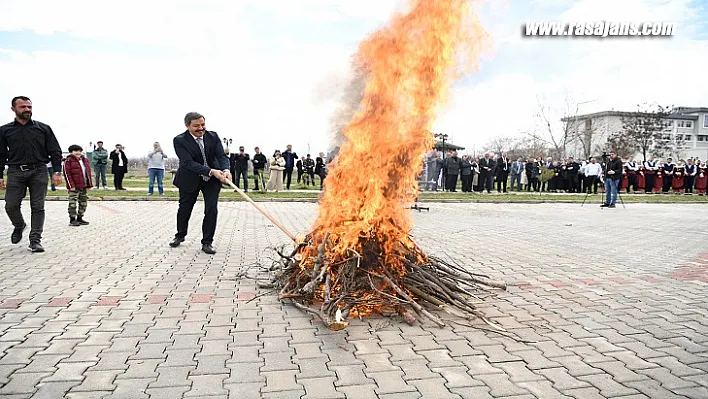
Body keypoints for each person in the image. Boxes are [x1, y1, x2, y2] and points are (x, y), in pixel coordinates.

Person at [0, 96, 63, 252]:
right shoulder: (5, 130)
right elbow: (0, 155)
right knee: (11, 205)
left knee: (38, 206)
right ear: (13, 109)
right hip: (15, 171)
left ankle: (35, 240)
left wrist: (57, 171)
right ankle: (19, 225)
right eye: (23, 107)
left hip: (39, 171)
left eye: (29, 106)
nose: (27, 109)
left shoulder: (43, 128)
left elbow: (55, 151)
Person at [170, 112, 231, 255]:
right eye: (196, 126)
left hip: (212, 180)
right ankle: (180, 235)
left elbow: (221, 156)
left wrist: (225, 169)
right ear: (187, 126)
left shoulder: (213, 136)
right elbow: (188, 162)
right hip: (189, 178)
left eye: (202, 124)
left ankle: (207, 242)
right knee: (185, 208)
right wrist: (211, 171)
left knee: (211, 208)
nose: (201, 128)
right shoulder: (179, 140)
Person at [63, 144, 92, 226]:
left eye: (79, 151)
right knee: (73, 203)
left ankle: (80, 217)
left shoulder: (85, 160)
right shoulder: (68, 161)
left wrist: (89, 184)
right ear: (71, 152)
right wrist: (71, 185)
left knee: (83, 202)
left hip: (84, 185)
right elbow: (66, 174)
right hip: (74, 186)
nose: (78, 153)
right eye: (76, 151)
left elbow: (88, 173)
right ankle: (72, 219)